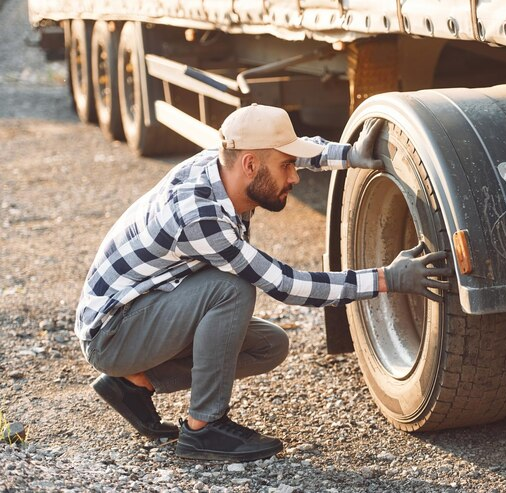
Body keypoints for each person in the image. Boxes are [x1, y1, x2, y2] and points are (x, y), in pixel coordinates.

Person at [75, 103, 451, 461]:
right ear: (251, 165)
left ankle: (136, 383)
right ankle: (203, 427)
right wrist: (386, 278)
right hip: (112, 331)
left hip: (143, 308)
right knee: (232, 289)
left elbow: (287, 153)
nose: (295, 176)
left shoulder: (225, 164)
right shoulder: (201, 217)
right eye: (287, 166)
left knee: (269, 346)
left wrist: (348, 154)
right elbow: (284, 284)